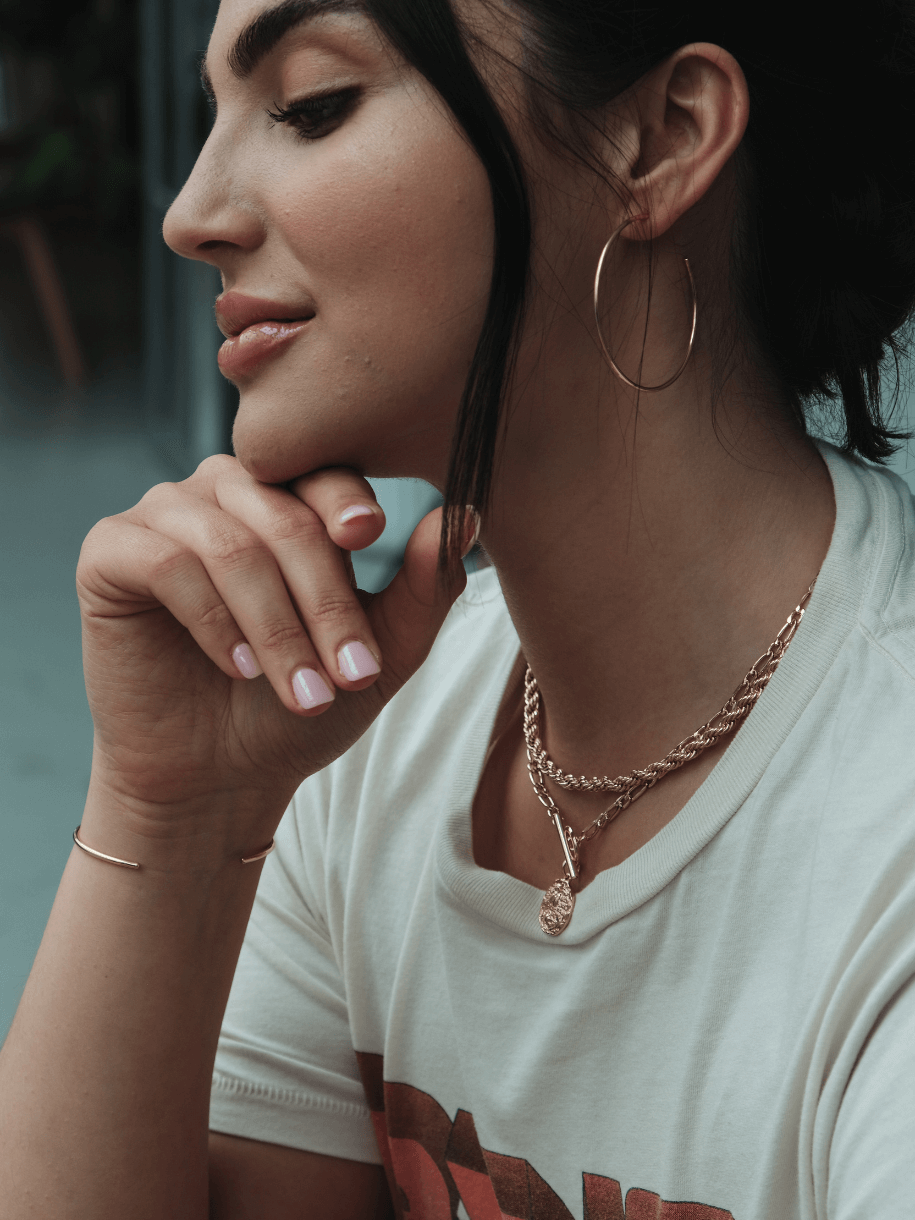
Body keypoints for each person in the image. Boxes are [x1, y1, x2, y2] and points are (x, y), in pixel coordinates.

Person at [3, 0, 915, 1214]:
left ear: (660, 138)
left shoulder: (880, 839)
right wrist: (172, 818)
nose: (189, 216)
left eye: (312, 105)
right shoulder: (360, 730)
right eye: (217, 110)